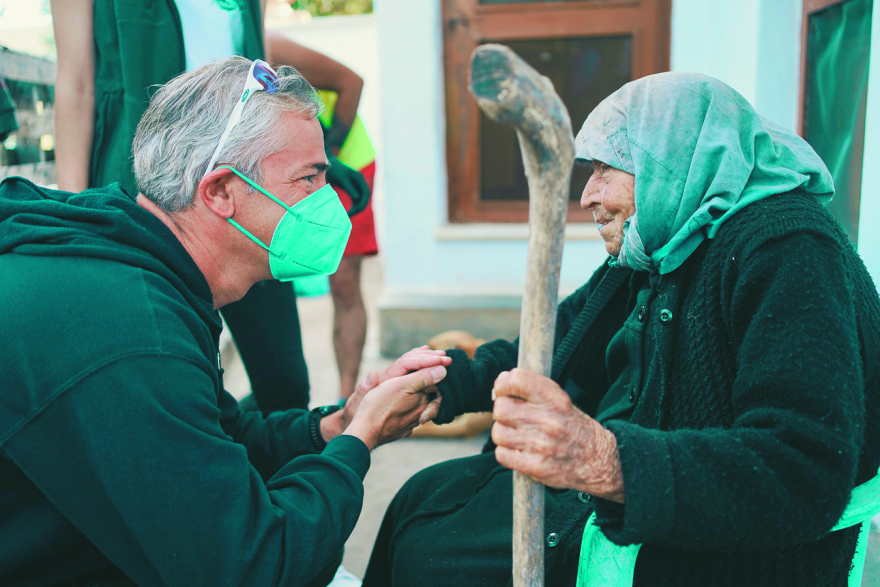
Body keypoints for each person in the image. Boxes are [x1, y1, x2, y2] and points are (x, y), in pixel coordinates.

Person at [361, 72, 880, 586]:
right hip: (627, 481)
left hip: (699, 531)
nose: (587, 196)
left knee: (438, 560)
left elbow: (803, 470)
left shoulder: (790, 251)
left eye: (606, 171)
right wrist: (438, 387)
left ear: (675, 160)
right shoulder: (668, 239)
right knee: (423, 498)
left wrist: (604, 460)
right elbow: (552, 346)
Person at [0, 57, 447, 587]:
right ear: (220, 193)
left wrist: (336, 425)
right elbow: (254, 568)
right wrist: (362, 440)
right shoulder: (136, 333)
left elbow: (218, 434)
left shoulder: (145, 268)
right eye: (310, 178)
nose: (329, 202)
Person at [50, 0, 372, 413]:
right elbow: (76, 84)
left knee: (286, 386)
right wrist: (75, 211)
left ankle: (242, 460)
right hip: (149, 193)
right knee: (167, 380)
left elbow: (260, 69)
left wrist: (315, 159)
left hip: (243, 185)